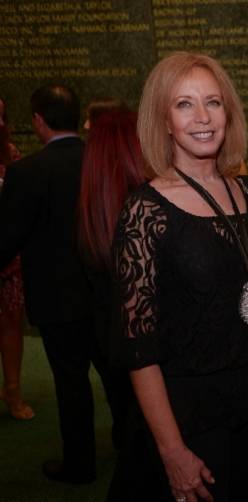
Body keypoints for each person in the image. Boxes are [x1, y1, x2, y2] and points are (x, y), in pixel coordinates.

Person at [112, 51, 248, 502]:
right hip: (191, 411)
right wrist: (171, 449)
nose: (203, 117)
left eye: (213, 102)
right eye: (184, 104)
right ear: (163, 120)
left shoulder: (245, 189)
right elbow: (138, 346)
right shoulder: (145, 211)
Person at [0, 84, 112, 483]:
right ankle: (135, 448)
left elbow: (7, 237)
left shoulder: (26, 173)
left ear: (38, 121)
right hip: (106, 293)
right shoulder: (101, 163)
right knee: (118, 377)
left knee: (71, 383)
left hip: (55, 300)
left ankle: (80, 465)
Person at [77, 109, 151, 457]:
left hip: (108, 338)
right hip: (150, 346)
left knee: (127, 422)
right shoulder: (149, 204)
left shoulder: (91, 206)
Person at [0, 96, 34, 421]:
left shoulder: (10, 155)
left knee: (11, 324)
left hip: (6, 256)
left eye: (2, 116)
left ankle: (13, 391)